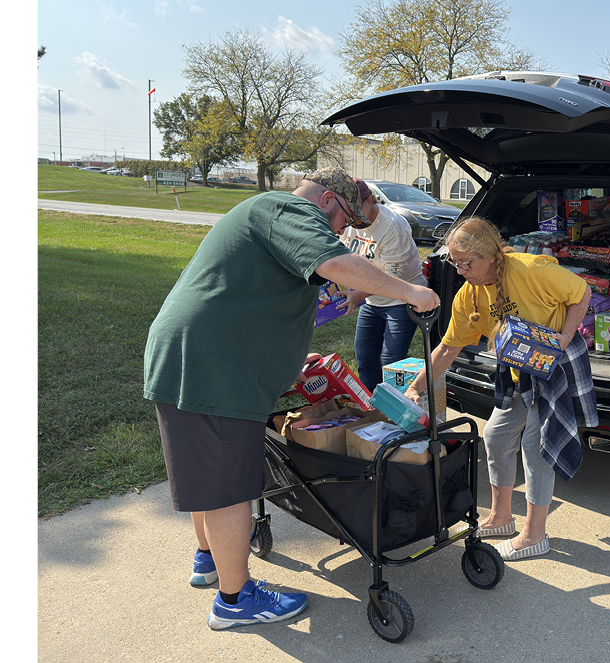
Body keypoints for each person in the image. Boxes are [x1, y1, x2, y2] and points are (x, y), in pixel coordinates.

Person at [143, 166, 439, 630]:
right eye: (344, 222)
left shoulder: (270, 217)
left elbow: (272, 297)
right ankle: (234, 600)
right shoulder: (287, 207)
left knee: (207, 473)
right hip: (216, 367)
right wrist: (410, 291)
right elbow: (334, 264)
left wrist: (291, 361)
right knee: (229, 487)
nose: (343, 233)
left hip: (197, 357)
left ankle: (209, 560)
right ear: (327, 201)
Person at [403, 216, 597, 560]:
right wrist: (416, 388)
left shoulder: (533, 269)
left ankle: (535, 535)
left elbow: (582, 293)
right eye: (455, 262)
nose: (460, 269)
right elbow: (448, 348)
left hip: (555, 361)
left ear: (490, 255)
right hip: (520, 366)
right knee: (495, 435)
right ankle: (501, 517)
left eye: (466, 262)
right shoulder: (470, 296)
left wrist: (565, 337)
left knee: (536, 444)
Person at [340, 180, 425, 391]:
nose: (353, 220)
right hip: (372, 299)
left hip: (401, 297)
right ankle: (372, 409)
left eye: (358, 212)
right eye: (350, 213)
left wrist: (358, 294)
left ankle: (393, 412)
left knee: (392, 362)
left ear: (370, 200)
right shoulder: (349, 223)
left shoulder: (392, 225)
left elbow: (390, 277)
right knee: (365, 356)